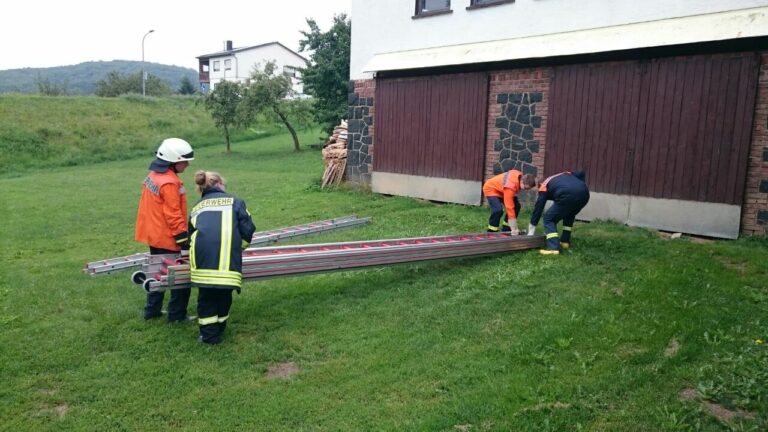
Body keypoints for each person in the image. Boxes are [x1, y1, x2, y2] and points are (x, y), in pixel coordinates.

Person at [189, 170, 256, 345]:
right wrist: (239, 247)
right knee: (224, 296)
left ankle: (209, 335)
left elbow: (190, 234)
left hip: (202, 262)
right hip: (228, 265)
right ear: (218, 183)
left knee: (206, 298)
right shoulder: (235, 201)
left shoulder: (197, 207)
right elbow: (248, 229)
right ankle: (218, 328)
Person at [135, 137, 195, 321]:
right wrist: (183, 240)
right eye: (185, 161)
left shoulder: (153, 176)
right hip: (167, 238)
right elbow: (173, 214)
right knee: (181, 277)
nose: (187, 165)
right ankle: (176, 316)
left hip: (154, 235)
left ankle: (152, 311)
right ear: (174, 160)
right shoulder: (169, 183)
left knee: (157, 272)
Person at [527, 170, 590, 255]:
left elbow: (538, 208)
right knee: (569, 214)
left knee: (548, 219)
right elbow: (580, 173)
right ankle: (565, 241)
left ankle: (553, 248)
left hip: (567, 194)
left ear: (539, 184)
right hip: (584, 194)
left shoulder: (543, 186)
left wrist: (531, 228)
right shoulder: (558, 177)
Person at [482, 169, 537, 234]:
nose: (526, 190)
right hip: (491, 189)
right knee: (498, 210)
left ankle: (506, 229)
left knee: (516, 207)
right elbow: (509, 208)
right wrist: (514, 228)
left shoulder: (520, 177)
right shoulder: (510, 186)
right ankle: (492, 231)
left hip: (502, 189)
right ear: (522, 181)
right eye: (526, 188)